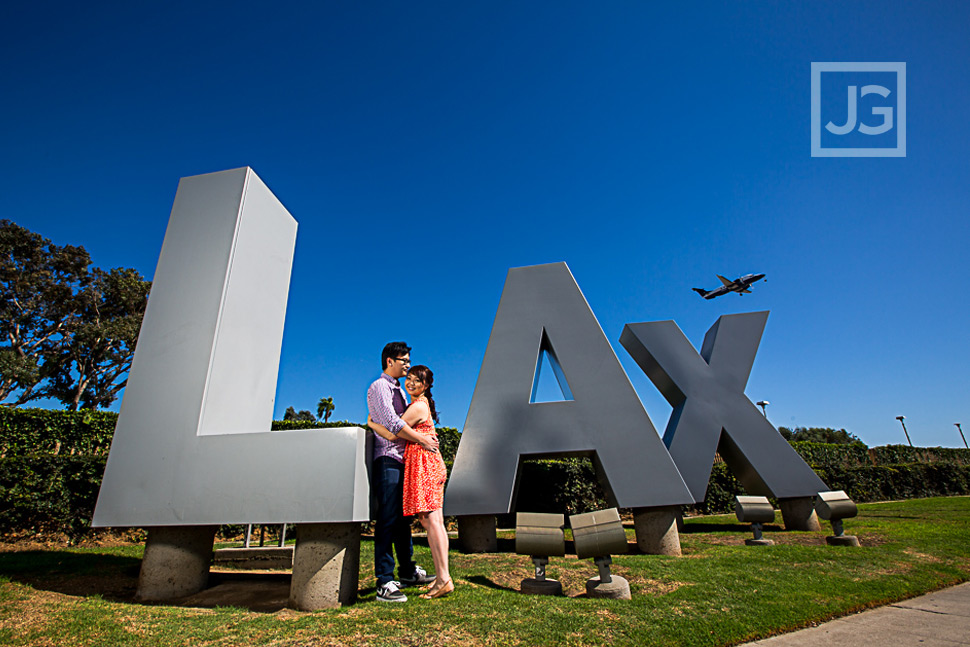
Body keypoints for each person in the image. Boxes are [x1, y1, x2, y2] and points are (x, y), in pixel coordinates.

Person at [370, 364, 453, 599]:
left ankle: (444, 579)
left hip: (425, 465)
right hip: (424, 464)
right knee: (433, 520)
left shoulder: (417, 407)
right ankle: (441, 577)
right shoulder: (419, 404)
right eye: (410, 378)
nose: (411, 383)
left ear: (426, 385)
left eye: (418, 380)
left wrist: (372, 423)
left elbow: (392, 431)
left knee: (431, 521)